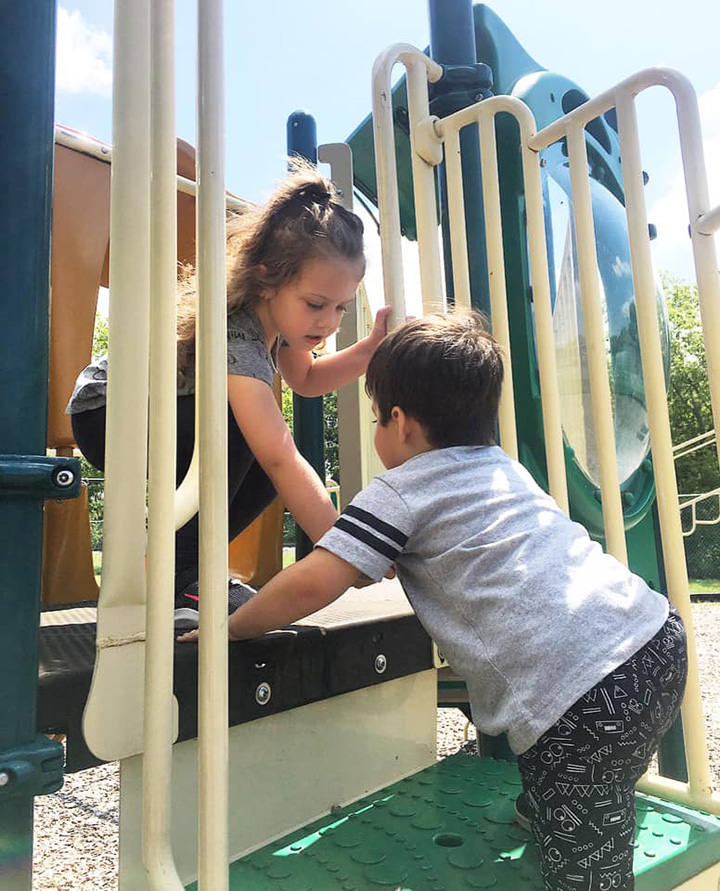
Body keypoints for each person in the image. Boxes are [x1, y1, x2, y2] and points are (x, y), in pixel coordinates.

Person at [179, 312, 688, 891]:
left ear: (399, 423)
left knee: (586, 864)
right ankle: (568, 805)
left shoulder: (402, 489)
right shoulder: (503, 470)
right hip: (653, 637)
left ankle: (581, 829)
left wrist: (235, 626)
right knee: (590, 771)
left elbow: (315, 580)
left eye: (375, 420)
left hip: (583, 692)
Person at [67, 161, 390, 616]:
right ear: (266, 280)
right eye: (316, 304)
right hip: (108, 413)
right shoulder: (236, 332)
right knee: (249, 437)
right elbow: (280, 453)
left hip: (164, 411)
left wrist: (369, 350)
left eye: (340, 307)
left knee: (257, 461)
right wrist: (343, 548)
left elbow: (308, 379)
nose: (328, 322)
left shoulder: (279, 324)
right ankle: (177, 576)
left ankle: (186, 569)